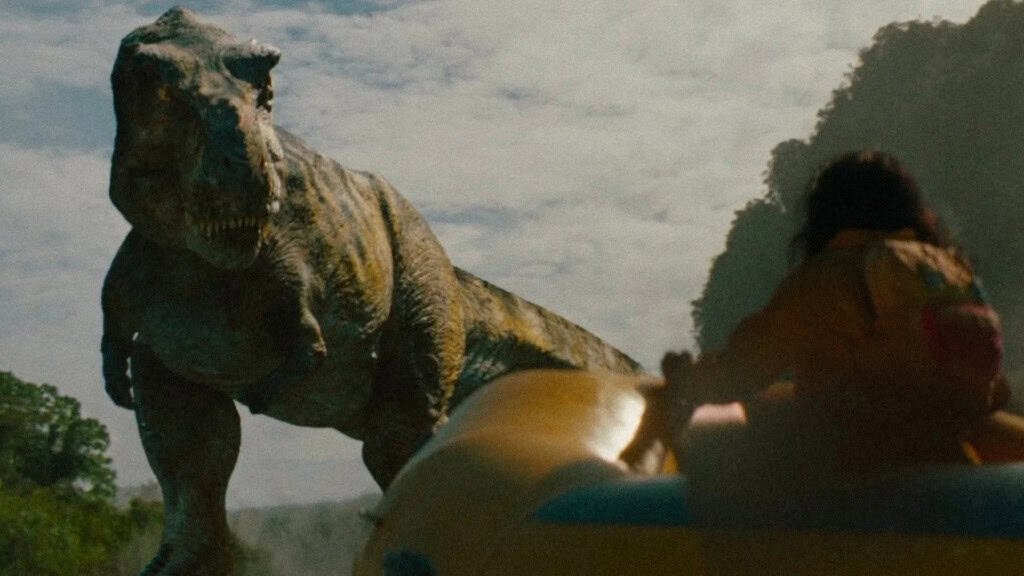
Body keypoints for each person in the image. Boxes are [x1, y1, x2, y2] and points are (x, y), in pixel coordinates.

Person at [661, 151, 1012, 472]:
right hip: (952, 449)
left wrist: (685, 379)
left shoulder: (832, 273)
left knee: (724, 429)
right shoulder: (951, 271)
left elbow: (745, 369)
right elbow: (994, 391)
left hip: (858, 461)